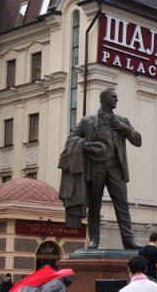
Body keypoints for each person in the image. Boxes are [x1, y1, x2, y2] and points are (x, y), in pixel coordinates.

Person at [59, 88, 142, 249]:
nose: (116, 100)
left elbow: (138, 141)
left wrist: (124, 128)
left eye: (116, 97)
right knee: (95, 204)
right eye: (113, 97)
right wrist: (87, 145)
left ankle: (128, 240)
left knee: (122, 204)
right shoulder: (88, 121)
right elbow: (72, 138)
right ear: (104, 99)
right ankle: (94, 239)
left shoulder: (122, 120)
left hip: (116, 168)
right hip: (96, 167)